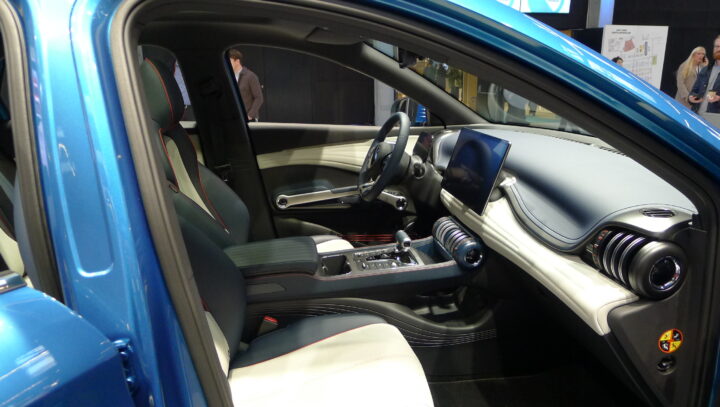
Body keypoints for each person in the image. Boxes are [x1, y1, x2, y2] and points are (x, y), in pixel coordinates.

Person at [228, 48, 263, 121]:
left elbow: (259, 98)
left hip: (249, 120)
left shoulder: (251, 76)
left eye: (230, 61)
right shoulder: (229, 77)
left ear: (237, 61)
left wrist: (249, 115)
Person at [689, 36, 720, 115]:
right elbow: (694, 91)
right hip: (697, 115)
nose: (718, 49)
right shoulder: (705, 70)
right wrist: (691, 97)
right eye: (716, 46)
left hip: (715, 119)